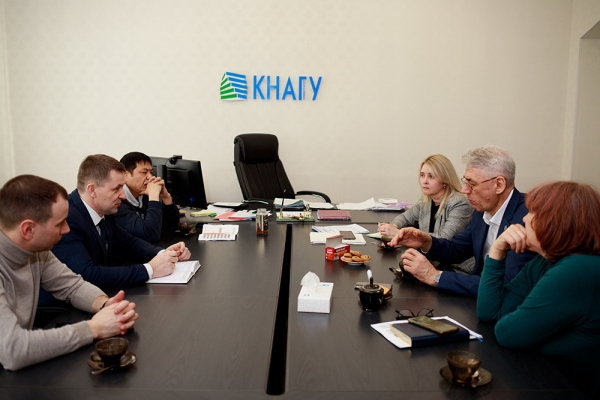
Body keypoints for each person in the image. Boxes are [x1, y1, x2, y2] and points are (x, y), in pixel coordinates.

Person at [0, 175, 139, 370]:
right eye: (59, 223)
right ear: (28, 229)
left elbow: (71, 286)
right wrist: (94, 328)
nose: (66, 229)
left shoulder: (38, 252)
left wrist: (106, 305)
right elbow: (13, 350)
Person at [477, 181, 600, 396]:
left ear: (556, 222)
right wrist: (497, 251)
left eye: (533, 213)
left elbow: (508, 333)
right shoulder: (544, 261)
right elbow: (490, 312)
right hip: (550, 379)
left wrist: (530, 331)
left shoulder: (577, 269)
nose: (524, 219)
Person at [389, 145, 536, 296]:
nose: (464, 190)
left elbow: (505, 285)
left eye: (471, 184)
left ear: (498, 185)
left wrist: (435, 276)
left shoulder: (528, 219)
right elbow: (456, 249)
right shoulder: (481, 212)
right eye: (465, 182)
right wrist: (426, 242)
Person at [51, 154, 191, 291]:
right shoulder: (66, 219)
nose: (123, 195)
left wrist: (163, 253)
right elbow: (88, 275)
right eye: (116, 189)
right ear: (92, 190)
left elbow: (128, 242)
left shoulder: (105, 209)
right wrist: (150, 269)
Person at [378, 154, 472, 240]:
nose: (424, 181)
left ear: (445, 181)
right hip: (427, 252)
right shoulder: (425, 200)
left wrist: (399, 233)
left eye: (431, 176)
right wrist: (393, 226)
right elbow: (405, 218)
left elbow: (444, 238)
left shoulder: (460, 203)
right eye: (422, 175)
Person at [116, 152, 180, 243]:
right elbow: (150, 235)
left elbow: (172, 224)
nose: (150, 177)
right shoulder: (118, 203)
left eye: (151, 172)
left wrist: (166, 197)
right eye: (144, 172)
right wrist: (153, 196)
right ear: (125, 175)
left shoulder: (143, 196)